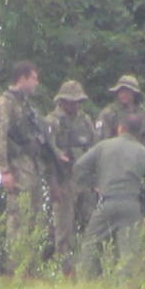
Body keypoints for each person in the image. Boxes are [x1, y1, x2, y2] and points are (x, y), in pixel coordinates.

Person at [0, 60, 66, 274]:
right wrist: (3, 170)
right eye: (34, 78)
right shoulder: (3, 104)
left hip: (33, 169)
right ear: (23, 78)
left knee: (34, 220)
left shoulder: (30, 107)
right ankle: (17, 269)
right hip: (17, 168)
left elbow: (43, 141)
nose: (36, 83)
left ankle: (30, 269)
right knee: (18, 219)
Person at [73, 114, 145, 279]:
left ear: (120, 128)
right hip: (132, 206)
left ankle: (84, 283)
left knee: (90, 245)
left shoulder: (103, 146)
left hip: (107, 202)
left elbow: (78, 168)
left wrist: (95, 183)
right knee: (128, 253)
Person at [44, 80, 97, 268]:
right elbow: (48, 155)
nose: (74, 105)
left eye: (77, 102)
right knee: (63, 229)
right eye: (70, 101)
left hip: (85, 180)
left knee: (93, 223)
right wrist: (54, 185)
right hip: (64, 180)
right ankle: (65, 269)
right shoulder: (52, 121)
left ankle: (92, 267)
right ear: (62, 101)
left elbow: (95, 147)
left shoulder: (85, 120)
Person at [94, 75, 145, 152]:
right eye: (121, 91)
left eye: (128, 91)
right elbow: (101, 140)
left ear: (134, 93)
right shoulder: (109, 113)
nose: (124, 94)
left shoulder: (144, 114)